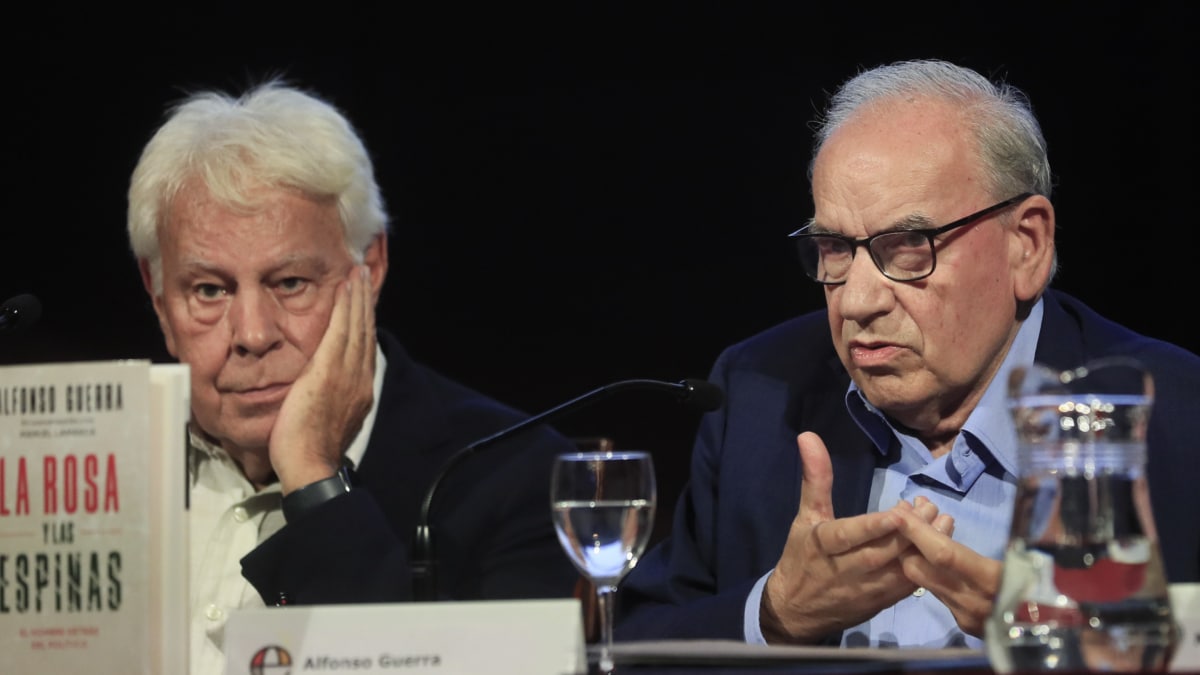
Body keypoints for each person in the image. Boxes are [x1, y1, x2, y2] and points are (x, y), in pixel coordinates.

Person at [614, 59, 1200, 649]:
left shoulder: (1180, 417)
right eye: (834, 248)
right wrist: (774, 615)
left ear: (1027, 245)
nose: (858, 301)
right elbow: (630, 644)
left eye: (910, 246)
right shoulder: (758, 395)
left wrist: (1056, 633)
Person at [125, 80, 580, 673]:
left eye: (290, 283)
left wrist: (315, 482)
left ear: (371, 267)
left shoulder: (519, 481)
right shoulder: (105, 468)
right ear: (158, 297)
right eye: (209, 290)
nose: (253, 334)